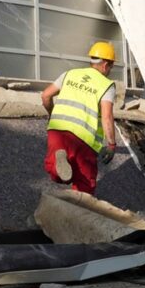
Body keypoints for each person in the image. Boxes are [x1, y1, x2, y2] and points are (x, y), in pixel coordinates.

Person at [42, 41, 118, 195]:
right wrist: (111, 144)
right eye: (111, 66)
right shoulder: (106, 85)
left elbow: (45, 95)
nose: (110, 70)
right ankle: (79, 212)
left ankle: (59, 163)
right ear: (105, 64)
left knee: (56, 171)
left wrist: (52, 114)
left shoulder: (69, 74)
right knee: (85, 183)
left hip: (57, 130)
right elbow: (107, 116)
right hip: (83, 138)